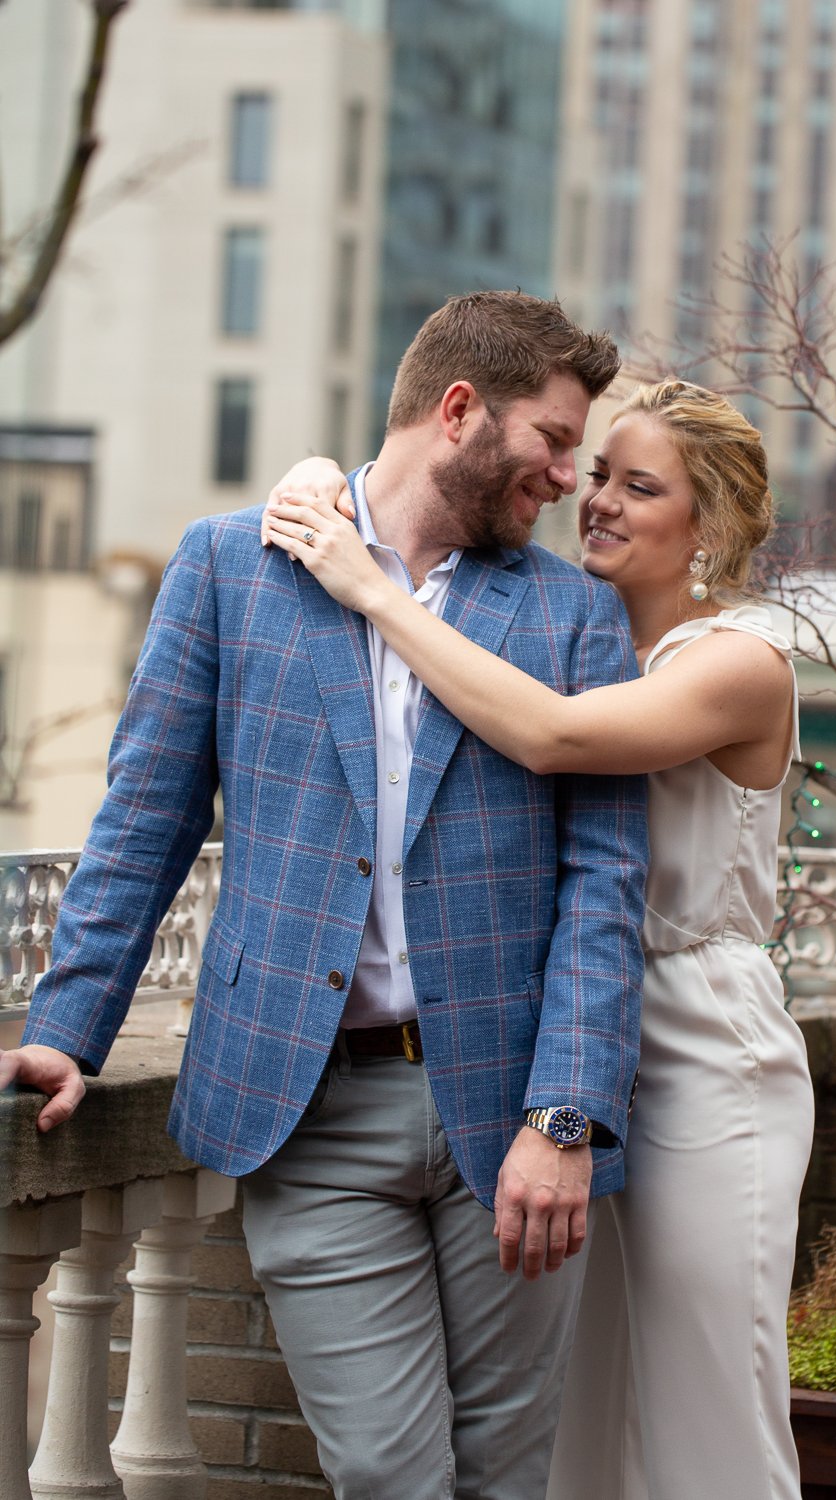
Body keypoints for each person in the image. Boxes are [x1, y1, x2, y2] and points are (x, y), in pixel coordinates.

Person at [0, 292, 649, 1500]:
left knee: (507, 1478)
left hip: (511, 1115)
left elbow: (601, 887)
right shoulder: (227, 569)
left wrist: (566, 1118)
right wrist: (63, 1028)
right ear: (460, 412)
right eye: (555, 440)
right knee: (387, 1477)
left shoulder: (572, 617)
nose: (572, 478)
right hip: (307, 1110)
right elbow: (145, 821)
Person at [261, 377, 816, 1500]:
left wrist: (368, 587)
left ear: (704, 526)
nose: (594, 498)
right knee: (579, 1417)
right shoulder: (575, 627)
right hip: (567, 1048)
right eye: (596, 472)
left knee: (711, 1390)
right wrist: (329, 487)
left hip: (704, 1050)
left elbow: (554, 737)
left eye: (636, 485)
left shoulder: (737, 663)